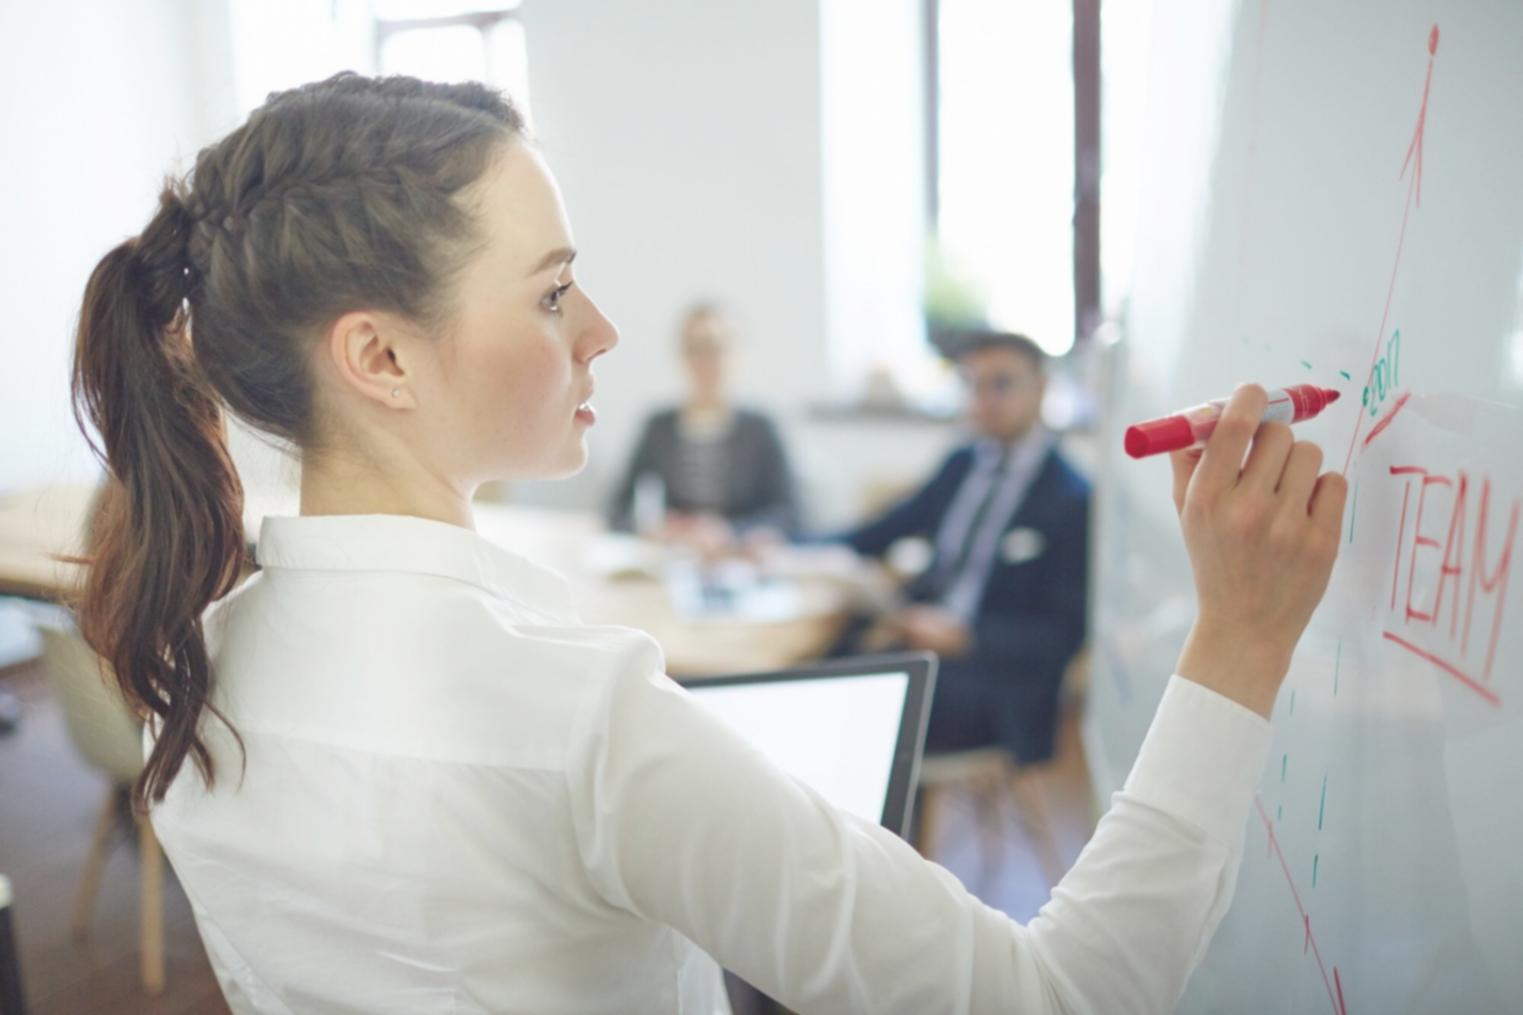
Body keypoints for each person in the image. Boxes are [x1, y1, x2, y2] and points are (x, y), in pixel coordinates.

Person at [68, 72, 1346, 1013]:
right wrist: (1237, 633)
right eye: (553, 291)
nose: (603, 330)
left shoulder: (186, 662)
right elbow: (1064, 994)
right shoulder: (578, 721)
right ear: (380, 357)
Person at [827, 331, 1087, 766]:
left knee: (864, 712)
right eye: (972, 385)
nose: (983, 399)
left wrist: (966, 636)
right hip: (921, 641)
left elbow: (1064, 633)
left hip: (994, 680)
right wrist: (785, 545)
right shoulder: (963, 463)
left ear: (1041, 389)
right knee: (824, 670)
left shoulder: (1071, 499)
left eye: (1000, 384)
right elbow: (880, 531)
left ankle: (880, 833)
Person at [608, 303, 800, 549]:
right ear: (681, 355)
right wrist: (653, 529)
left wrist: (730, 532)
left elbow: (791, 514)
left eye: (716, 348)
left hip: (738, 556)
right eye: (695, 349)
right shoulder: (658, 427)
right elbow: (616, 509)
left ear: (737, 353)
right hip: (676, 554)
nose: (706, 361)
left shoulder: (762, 428)